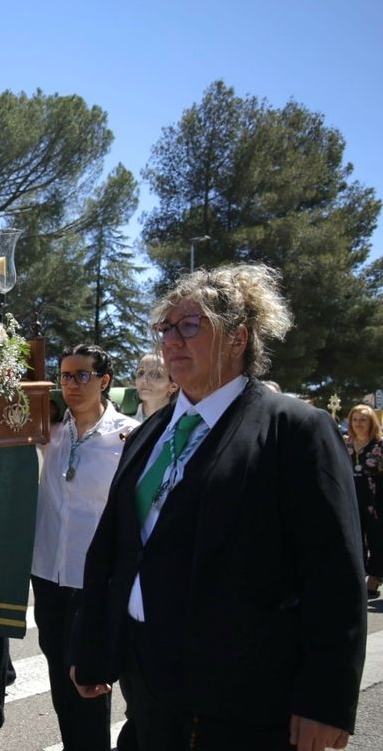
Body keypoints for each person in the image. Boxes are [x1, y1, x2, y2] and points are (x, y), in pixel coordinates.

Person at [70, 264, 366, 751]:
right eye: (166, 327)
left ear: (238, 338)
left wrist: (324, 701)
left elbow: (333, 574)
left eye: (190, 326)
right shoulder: (148, 433)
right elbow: (115, 546)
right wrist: (92, 644)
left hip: (242, 696)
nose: (172, 340)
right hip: (147, 680)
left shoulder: (293, 430)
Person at [29, 345, 137, 751]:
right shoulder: (50, 430)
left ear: (104, 380)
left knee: (90, 682)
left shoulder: (127, 435)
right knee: (59, 679)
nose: (71, 384)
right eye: (66, 376)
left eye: (82, 376)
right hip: (47, 573)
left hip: (94, 579)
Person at [345, 403, 383, 599]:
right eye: (355, 419)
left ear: (371, 423)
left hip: (375, 500)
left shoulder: (380, 445)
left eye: (363, 420)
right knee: (354, 540)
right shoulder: (345, 444)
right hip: (350, 498)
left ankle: (374, 579)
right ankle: (357, 576)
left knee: (377, 539)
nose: (358, 423)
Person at [132, 351, 176, 421]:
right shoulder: (122, 423)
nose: (144, 380)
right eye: (140, 373)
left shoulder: (179, 424)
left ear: (173, 386)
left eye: (155, 374)